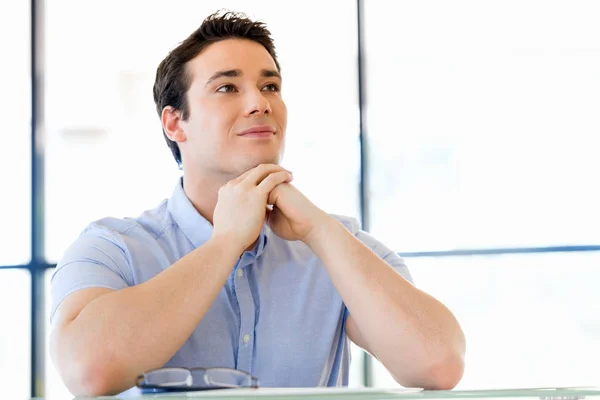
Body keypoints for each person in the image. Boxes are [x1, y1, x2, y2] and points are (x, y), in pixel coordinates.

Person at [49, 10, 466, 397]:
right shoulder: (112, 247)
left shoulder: (337, 243)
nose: (259, 103)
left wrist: (320, 232)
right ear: (176, 123)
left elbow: (438, 365)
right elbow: (89, 370)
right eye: (227, 87)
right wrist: (224, 244)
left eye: (270, 86)